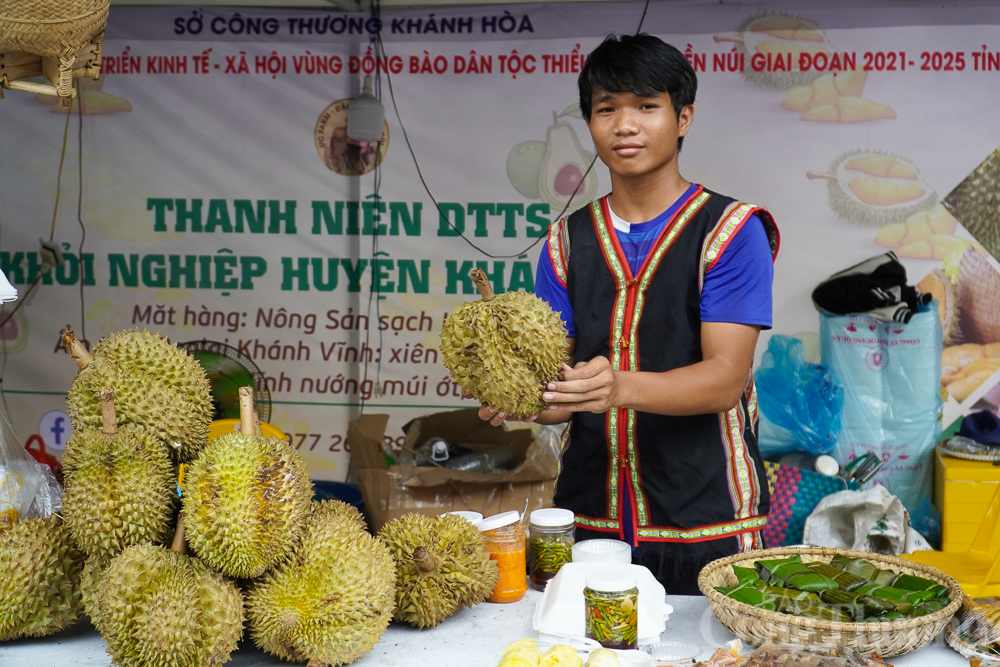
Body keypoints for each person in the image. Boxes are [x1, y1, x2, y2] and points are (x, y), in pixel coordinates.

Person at [478, 34, 779, 594]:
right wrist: (520, 396)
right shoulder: (565, 242)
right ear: (590, 123)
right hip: (591, 523)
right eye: (606, 109)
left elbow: (723, 379)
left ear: (682, 117)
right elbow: (561, 388)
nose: (624, 125)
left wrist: (616, 387)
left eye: (646, 106)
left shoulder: (732, 232)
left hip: (706, 522)